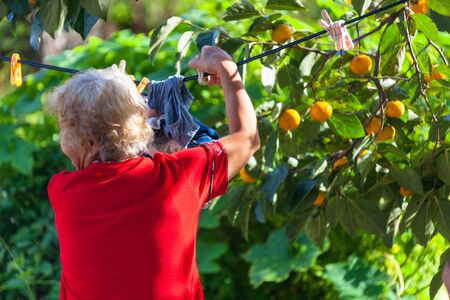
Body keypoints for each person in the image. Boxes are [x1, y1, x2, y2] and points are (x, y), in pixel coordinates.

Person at [45, 46, 260, 300]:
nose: (63, 140)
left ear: (89, 142)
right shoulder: (178, 177)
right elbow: (247, 138)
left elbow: (110, 158)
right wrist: (226, 67)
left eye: (65, 130)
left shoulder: (63, 191)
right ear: (137, 127)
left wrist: (114, 96)